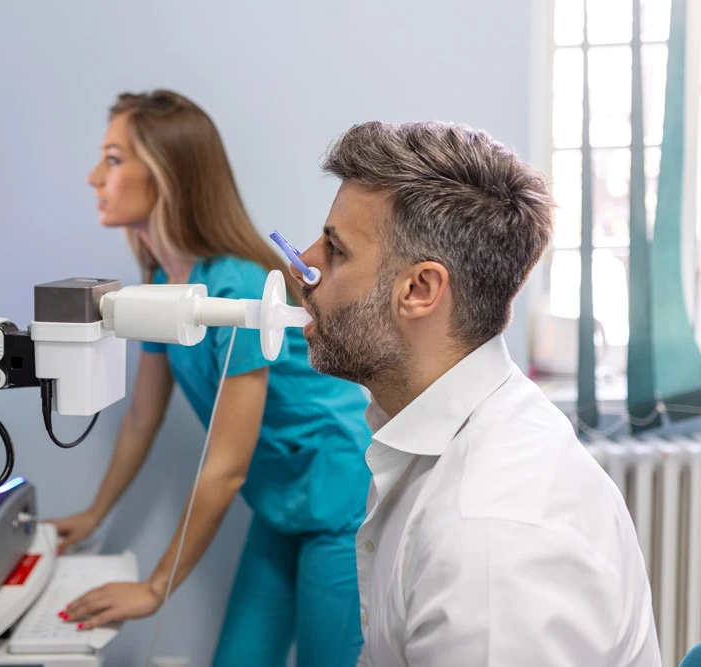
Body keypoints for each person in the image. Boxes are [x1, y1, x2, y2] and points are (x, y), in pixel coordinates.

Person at [295, 120, 661, 666]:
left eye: (336, 250)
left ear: (419, 290)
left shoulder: (490, 543)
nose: (305, 265)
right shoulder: (435, 434)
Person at [48, 90, 372, 666]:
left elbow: (224, 467)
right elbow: (143, 417)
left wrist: (153, 590)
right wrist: (95, 514)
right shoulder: (159, 286)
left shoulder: (235, 289)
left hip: (339, 496)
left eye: (115, 159)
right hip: (278, 502)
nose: (95, 177)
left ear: (167, 175)